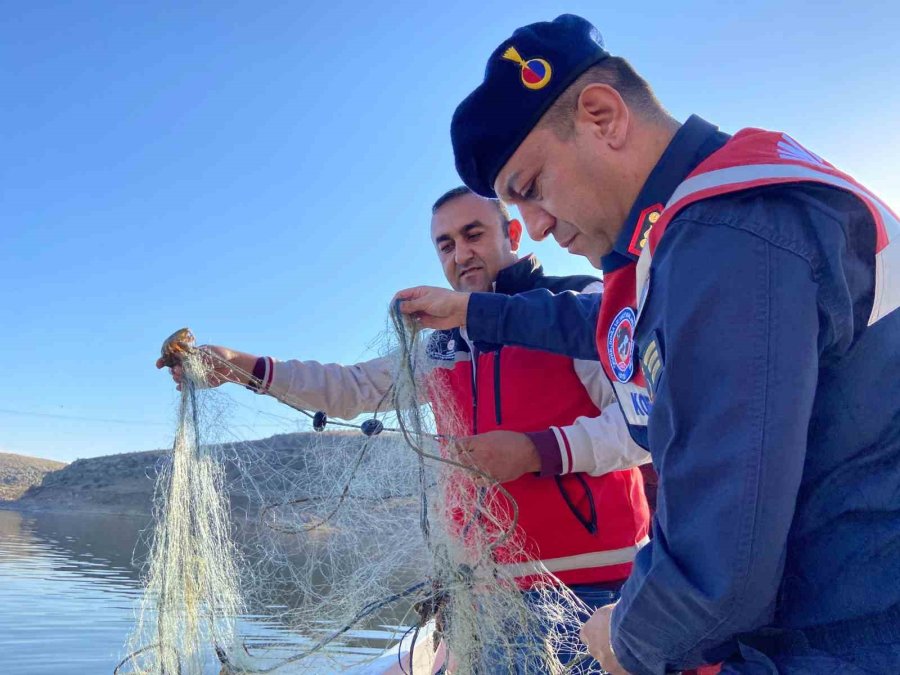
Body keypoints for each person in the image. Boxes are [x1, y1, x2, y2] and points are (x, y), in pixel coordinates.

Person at [396, 14, 900, 675]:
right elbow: (598, 327)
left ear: (602, 116)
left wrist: (621, 634)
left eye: (531, 188)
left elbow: (717, 579)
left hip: (852, 636)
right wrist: (472, 311)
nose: (537, 227)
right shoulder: (697, 226)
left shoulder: (728, 242)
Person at [159, 185, 651, 672]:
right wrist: (242, 367)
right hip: (482, 597)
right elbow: (350, 387)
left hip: (589, 594)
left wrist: (537, 450)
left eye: (473, 234)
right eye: (446, 244)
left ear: (514, 233)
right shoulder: (439, 342)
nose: (461, 253)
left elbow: (645, 426)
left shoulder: (579, 305)